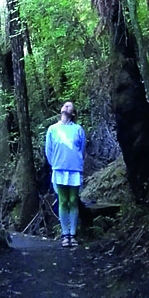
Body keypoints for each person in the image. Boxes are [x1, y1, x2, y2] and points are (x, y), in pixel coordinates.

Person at [45, 101, 86, 248]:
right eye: (64, 105)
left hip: (74, 170)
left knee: (73, 200)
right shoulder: (52, 129)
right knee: (62, 200)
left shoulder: (78, 129)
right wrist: (56, 164)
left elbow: (82, 149)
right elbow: (48, 150)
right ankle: (65, 234)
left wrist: (76, 164)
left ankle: (73, 234)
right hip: (59, 169)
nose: (66, 107)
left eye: (70, 106)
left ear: (73, 113)